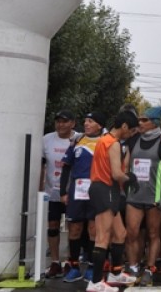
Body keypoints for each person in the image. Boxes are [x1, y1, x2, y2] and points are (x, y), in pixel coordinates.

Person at [86, 111, 141, 292]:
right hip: (105, 188)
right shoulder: (113, 143)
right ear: (124, 126)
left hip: (108, 189)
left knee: (120, 233)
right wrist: (130, 178)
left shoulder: (105, 139)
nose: (132, 134)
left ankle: (115, 273)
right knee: (103, 236)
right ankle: (95, 282)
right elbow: (116, 173)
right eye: (132, 131)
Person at [124, 106, 161, 286]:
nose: (140, 123)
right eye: (139, 119)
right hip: (134, 196)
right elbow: (125, 166)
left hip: (155, 196)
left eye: (144, 120)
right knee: (131, 233)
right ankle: (133, 267)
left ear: (154, 123)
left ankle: (150, 268)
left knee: (154, 234)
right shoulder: (133, 140)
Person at [59, 112, 105, 283]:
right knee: (75, 229)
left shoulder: (105, 142)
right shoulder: (77, 141)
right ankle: (74, 266)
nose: (86, 123)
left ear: (99, 125)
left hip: (96, 191)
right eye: (85, 120)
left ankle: (93, 267)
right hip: (77, 192)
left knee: (94, 230)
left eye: (90, 121)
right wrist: (63, 192)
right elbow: (66, 167)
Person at [40, 109, 79, 278]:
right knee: (53, 226)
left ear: (72, 123)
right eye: (58, 121)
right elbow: (41, 166)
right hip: (52, 192)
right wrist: (39, 189)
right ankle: (55, 262)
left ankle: (71, 262)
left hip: (72, 193)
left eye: (64, 121)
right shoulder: (46, 140)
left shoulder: (79, 139)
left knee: (73, 229)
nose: (60, 125)